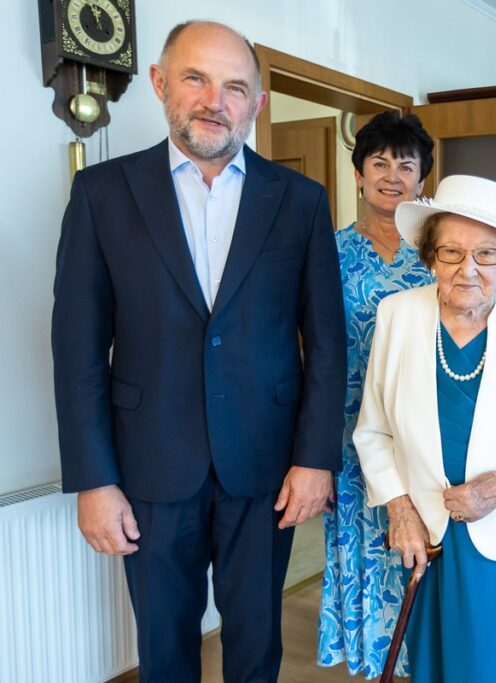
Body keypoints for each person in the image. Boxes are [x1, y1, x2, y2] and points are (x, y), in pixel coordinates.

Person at [51, 21, 346, 682]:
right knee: (163, 649)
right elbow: (77, 350)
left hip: (266, 467)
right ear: (160, 84)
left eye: (235, 87)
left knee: (256, 645)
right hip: (148, 466)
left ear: (257, 104)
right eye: (197, 78)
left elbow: (328, 344)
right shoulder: (102, 196)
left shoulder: (300, 201)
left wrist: (314, 459)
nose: (216, 99)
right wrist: (94, 479)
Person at [354, 174, 496, 682]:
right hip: (430, 535)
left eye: (486, 254)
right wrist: (399, 509)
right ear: (431, 257)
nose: (468, 270)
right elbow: (373, 430)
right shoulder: (396, 315)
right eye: (451, 253)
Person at [318, 110, 434, 678]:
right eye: (379, 163)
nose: (392, 175)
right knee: (367, 545)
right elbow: (308, 347)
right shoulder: (327, 251)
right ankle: (377, 663)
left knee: (424, 543)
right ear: (359, 174)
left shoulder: (441, 252)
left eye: (405, 165)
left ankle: (430, 660)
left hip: (423, 427)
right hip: (347, 432)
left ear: (422, 179)